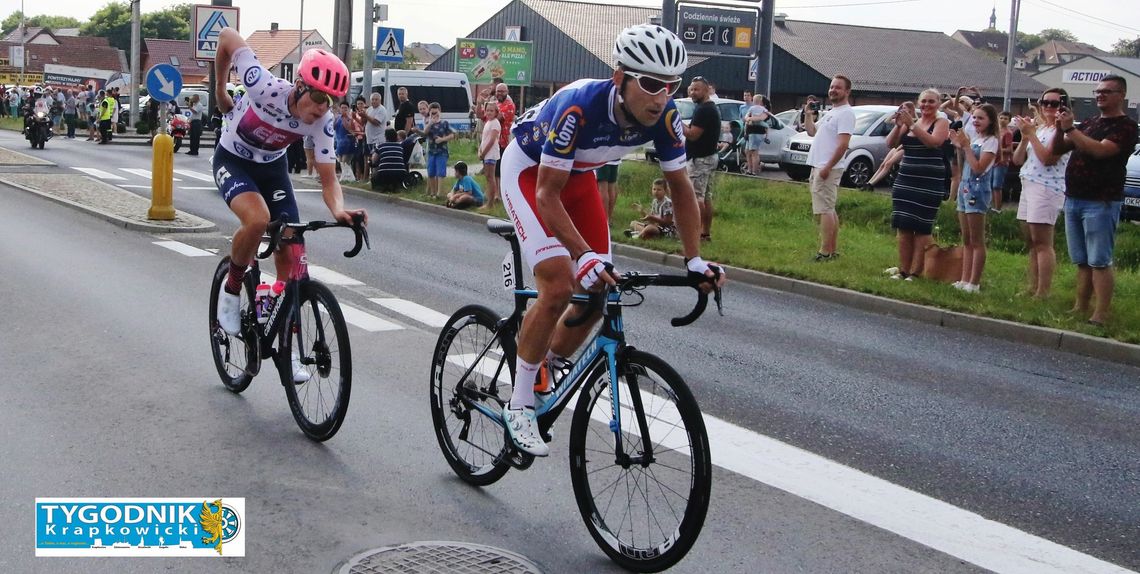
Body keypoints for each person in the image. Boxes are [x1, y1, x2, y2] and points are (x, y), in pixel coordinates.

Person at [498, 24, 724, 456]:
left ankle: (549, 367)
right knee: (561, 283)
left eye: (671, 85)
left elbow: (681, 188)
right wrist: (580, 253)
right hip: (529, 173)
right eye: (652, 84)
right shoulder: (579, 106)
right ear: (620, 78)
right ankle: (520, 403)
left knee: (600, 287)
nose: (661, 96)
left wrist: (694, 260)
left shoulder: (668, 116)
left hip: (578, 177)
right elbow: (546, 193)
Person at [210, 27, 367, 384]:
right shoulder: (263, 86)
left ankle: (287, 347)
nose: (321, 108)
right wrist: (219, 90)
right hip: (233, 160)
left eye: (330, 101)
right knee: (257, 220)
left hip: (272, 170)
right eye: (316, 97)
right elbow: (226, 37)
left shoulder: (323, 122)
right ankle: (232, 290)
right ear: (298, 86)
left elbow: (329, 180)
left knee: (293, 261)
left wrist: (339, 211)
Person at [1050, 75, 1138, 326]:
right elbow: (1059, 149)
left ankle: (1102, 312)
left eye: (1106, 92)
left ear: (1121, 95)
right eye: (1098, 91)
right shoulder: (1089, 122)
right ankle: (1080, 306)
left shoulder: (1125, 126)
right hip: (1075, 197)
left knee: (1099, 259)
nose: (1100, 95)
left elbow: (1100, 151)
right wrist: (1060, 128)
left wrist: (1070, 129)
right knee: (1081, 259)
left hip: (1101, 201)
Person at [1012, 88, 1071, 299]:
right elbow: (1018, 159)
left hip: (1047, 186)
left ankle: (1043, 291)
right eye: (1044, 102)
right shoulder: (1042, 128)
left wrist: (1032, 135)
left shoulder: (1061, 130)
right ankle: (1033, 285)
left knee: (1043, 242)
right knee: (1031, 240)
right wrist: (1026, 136)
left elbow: (1048, 158)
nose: (1048, 107)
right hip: (1028, 182)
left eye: (1054, 104)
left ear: (1063, 106)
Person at [885, 89, 950, 280]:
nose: (927, 105)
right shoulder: (912, 123)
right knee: (903, 226)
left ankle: (916, 272)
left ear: (938, 104)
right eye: (924, 102)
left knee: (922, 228)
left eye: (931, 102)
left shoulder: (941, 122)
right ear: (918, 103)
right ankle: (903, 269)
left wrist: (912, 125)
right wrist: (898, 126)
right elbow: (890, 143)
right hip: (906, 179)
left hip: (928, 182)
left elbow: (933, 142)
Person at [803, 75, 855, 261]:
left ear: (847, 91)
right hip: (818, 164)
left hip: (827, 167)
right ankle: (831, 250)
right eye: (832, 87)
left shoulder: (846, 113)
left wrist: (827, 167)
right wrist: (808, 115)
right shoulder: (832, 112)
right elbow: (812, 132)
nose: (833, 90)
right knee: (828, 208)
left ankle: (825, 252)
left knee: (824, 209)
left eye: (838, 88)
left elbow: (843, 144)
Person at [951, 103, 1000, 293]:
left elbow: (979, 167)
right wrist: (959, 146)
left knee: (976, 238)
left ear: (990, 121)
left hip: (978, 189)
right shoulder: (975, 139)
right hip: (964, 186)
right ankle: (964, 278)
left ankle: (974, 281)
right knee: (966, 238)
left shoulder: (991, 141)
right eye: (975, 118)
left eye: (981, 118)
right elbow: (964, 163)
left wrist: (966, 147)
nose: (977, 121)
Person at [683, 76, 720, 241]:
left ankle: (696, 233)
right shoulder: (709, 108)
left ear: (707, 90)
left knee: (697, 197)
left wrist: (675, 121)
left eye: (696, 89)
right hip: (709, 157)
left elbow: (692, 135)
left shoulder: (705, 110)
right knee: (706, 196)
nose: (692, 93)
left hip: (700, 159)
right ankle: (705, 233)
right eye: (691, 89)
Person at [424, 102, 455, 198]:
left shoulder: (444, 123)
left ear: (439, 112)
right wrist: (430, 123)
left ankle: (439, 193)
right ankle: (433, 192)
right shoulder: (428, 123)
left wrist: (442, 139)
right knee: (431, 172)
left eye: (435, 112)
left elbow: (452, 135)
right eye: (432, 113)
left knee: (440, 172)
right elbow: (425, 133)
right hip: (431, 151)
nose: (434, 115)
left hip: (442, 151)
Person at [478, 100, 501, 211]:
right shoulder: (488, 122)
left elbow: (492, 140)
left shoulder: (495, 123)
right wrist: (480, 150)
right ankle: (488, 201)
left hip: (491, 154)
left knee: (490, 177)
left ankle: (490, 203)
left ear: (496, 112)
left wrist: (483, 153)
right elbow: (484, 139)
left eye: (491, 110)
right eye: (487, 110)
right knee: (488, 177)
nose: (489, 112)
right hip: (486, 154)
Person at [992, 110, 1014, 211]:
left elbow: (1010, 149)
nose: (1003, 120)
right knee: (991, 184)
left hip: (1002, 162)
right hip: (992, 161)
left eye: (1005, 118)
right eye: (1001, 118)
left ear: (1009, 121)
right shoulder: (995, 131)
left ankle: (998, 209)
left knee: (997, 186)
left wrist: (998, 149)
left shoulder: (1008, 133)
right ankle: (991, 206)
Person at [744, 94, 771, 175]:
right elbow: (746, 117)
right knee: (747, 151)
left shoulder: (765, 111)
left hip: (757, 132)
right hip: (750, 132)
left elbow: (761, 118)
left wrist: (749, 118)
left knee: (754, 152)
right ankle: (749, 169)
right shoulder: (755, 108)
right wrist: (747, 120)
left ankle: (754, 171)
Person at [334, 102, 358, 182]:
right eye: (342, 108)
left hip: (347, 140)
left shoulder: (349, 118)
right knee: (340, 160)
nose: (344, 109)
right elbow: (334, 127)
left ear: (348, 109)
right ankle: (345, 175)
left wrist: (345, 117)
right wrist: (335, 117)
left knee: (345, 160)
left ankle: (348, 176)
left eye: (345, 108)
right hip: (339, 140)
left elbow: (349, 128)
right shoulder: (338, 118)